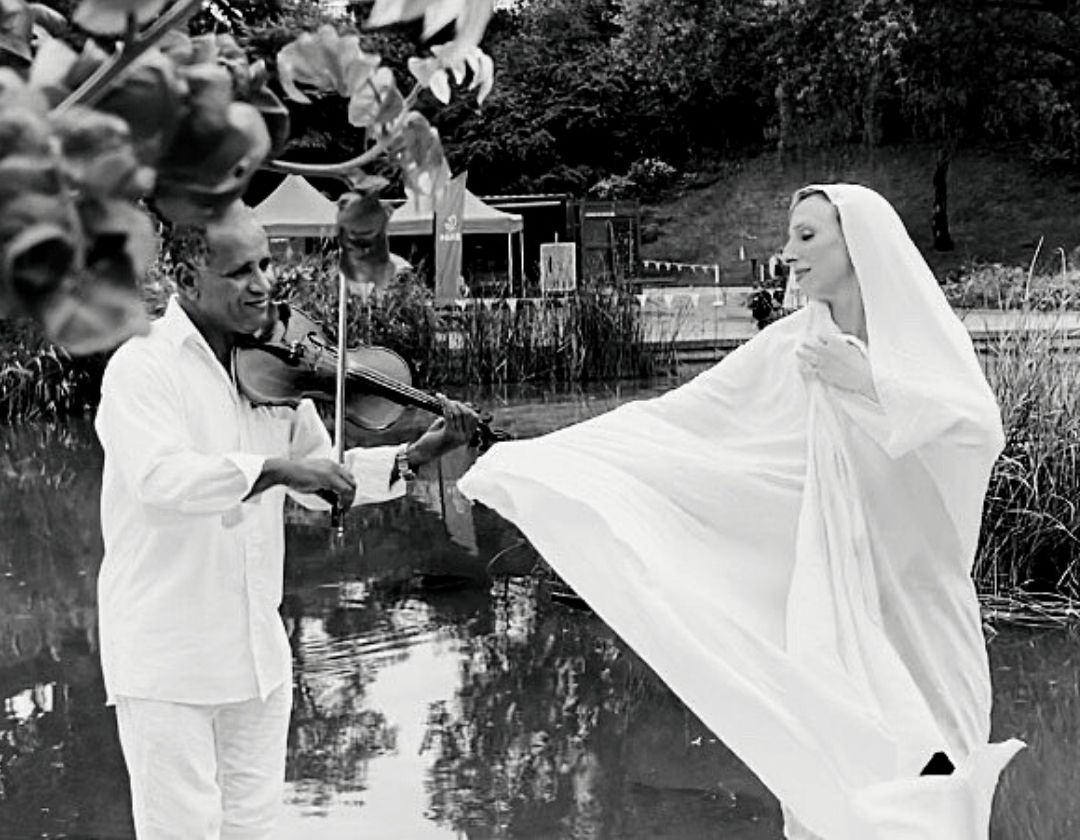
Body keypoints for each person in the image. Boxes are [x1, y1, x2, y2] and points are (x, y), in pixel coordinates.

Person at [458, 183, 1022, 839]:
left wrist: (866, 382)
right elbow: (682, 426)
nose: (788, 253)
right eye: (790, 236)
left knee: (942, 795)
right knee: (836, 793)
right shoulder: (790, 348)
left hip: (924, 619)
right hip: (834, 624)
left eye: (807, 236)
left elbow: (976, 431)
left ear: (859, 243)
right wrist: (528, 460)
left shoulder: (918, 339)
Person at [95, 202, 479, 840]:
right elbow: (161, 480)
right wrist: (273, 469)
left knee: (255, 831)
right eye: (241, 270)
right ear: (188, 279)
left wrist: (417, 454)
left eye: (267, 264)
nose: (262, 284)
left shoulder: (275, 368)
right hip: (168, 660)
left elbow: (323, 476)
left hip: (256, 656)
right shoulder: (141, 367)